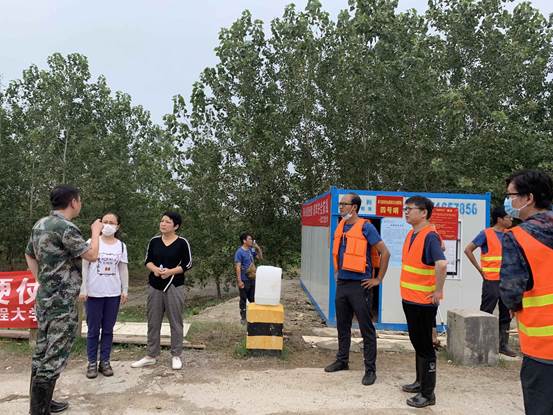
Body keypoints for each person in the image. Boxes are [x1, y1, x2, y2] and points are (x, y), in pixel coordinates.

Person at [25, 185, 103, 414]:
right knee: (55, 353)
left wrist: (42, 280)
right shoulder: (66, 227)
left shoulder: (40, 224)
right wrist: (95, 232)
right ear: (73, 202)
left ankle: (42, 403)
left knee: (42, 350)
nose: (80, 204)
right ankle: (39, 411)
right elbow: (92, 255)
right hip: (62, 301)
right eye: (80, 200)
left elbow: (29, 253)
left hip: (45, 298)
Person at [499, 170, 553, 415]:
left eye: (511, 195)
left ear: (528, 198)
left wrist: (512, 305)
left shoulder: (517, 237)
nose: (508, 201)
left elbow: (511, 290)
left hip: (544, 345)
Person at [324, 193, 390, 386]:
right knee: (342, 325)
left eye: (344, 204)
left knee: (365, 328)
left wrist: (378, 279)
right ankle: (342, 360)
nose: (340, 207)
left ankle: (370, 370)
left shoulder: (366, 227)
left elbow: (385, 252)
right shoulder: (341, 226)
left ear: (354, 207)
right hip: (342, 284)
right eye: (340, 204)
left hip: (360, 285)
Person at [400, 196, 447, 408]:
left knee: (425, 347)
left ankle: (428, 394)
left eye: (409, 209)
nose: (406, 212)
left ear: (424, 212)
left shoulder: (430, 236)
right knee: (417, 343)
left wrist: (438, 290)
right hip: (410, 299)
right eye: (405, 209)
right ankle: (420, 382)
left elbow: (441, 264)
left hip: (423, 302)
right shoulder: (413, 233)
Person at [131, 211, 192, 370]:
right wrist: (155, 270)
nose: (163, 224)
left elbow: (187, 264)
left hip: (174, 285)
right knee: (153, 321)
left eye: (167, 222)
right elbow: (148, 261)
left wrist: (170, 272)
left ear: (176, 226)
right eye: (162, 221)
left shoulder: (182, 243)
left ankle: (176, 355)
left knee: (175, 321)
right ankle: (151, 355)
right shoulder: (154, 241)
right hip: (155, 285)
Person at [79, 212, 129, 378]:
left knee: (108, 329)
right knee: (93, 330)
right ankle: (92, 362)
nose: (108, 225)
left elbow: (123, 268)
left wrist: (125, 289)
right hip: (94, 293)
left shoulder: (121, 246)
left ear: (118, 226)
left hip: (113, 293)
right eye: (105, 221)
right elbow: (85, 267)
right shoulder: (91, 242)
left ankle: (105, 361)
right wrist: (83, 288)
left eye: (111, 222)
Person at [464, 206, 516, 357]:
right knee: (486, 311)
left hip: (507, 280)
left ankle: (502, 345)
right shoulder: (486, 234)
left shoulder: (510, 234)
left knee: (506, 313)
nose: (511, 219)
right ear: (500, 219)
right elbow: (468, 250)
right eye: (508, 217)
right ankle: (480, 344)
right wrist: (480, 270)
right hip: (491, 280)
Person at [234, 232, 263, 324]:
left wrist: (258, 248)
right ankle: (243, 318)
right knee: (243, 299)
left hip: (252, 278)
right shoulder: (239, 252)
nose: (251, 240)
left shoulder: (251, 250)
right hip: (244, 279)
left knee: (253, 298)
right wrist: (239, 281)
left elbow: (260, 258)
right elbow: (238, 267)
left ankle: (253, 316)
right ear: (244, 241)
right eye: (249, 239)